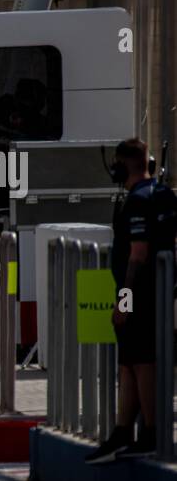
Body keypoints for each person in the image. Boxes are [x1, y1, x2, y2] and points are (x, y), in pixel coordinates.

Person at [86, 139, 177, 463]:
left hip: (141, 293)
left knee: (142, 362)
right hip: (160, 289)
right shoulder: (164, 195)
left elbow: (138, 254)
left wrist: (123, 301)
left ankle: (150, 433)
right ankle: (123, 431)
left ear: (124, 165)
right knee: (129, 363)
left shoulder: (139, 201)